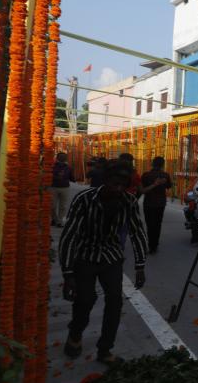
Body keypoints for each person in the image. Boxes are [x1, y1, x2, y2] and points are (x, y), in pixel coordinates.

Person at [58, 161, 148, 365]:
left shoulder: (129, 201)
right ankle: (75, 335)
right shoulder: (84, 199)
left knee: (115, 302)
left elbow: (137, 232)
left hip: (111, 256)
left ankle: (105, 349)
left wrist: (140, 265)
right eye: (114, 184)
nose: (118, 190)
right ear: (105, 180)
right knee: (85, 301)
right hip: (85, 256)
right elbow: (69, 235)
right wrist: (68, 273)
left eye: (122, 186)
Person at [139, 156, 173, 254]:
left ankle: (150, 244)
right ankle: (154, 245)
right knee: (157, 224)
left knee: (149, 224)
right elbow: (169, 186)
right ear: (163, 165)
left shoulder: (146, 175)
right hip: (160, 203)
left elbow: (142, 189)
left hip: (148, 203)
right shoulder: (165, 175)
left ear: (152, 164)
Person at [50, 152, 75, 227]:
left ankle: (59, 221)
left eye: (64, 157)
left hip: (65, 187)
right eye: (61, 156)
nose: (62, 158)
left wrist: (71, 178)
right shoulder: (52, 166)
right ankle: (55, 219)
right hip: (53, 187)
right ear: (57, 158)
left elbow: (72, 178)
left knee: (63, 206)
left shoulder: (68, 167)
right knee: (52, 206)